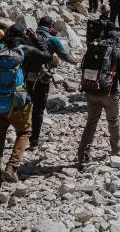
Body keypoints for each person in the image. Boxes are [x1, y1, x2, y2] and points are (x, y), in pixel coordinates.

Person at [0, 23, 50, 194]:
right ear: (23, 36)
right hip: (18, 102)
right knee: (24, 132)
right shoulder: (24, 50)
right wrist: (36, 38)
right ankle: (12, 167)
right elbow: (47, 56)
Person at [76, 28, 120, 167]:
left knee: (91, 123)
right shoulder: (119, 53)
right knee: (113, 121)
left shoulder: (95, 48)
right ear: (118, 39)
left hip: (91, 90)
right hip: (109, 93)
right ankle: (116, 150)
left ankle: (82, 155)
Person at [23, 16, 74, 149]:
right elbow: (64, 56)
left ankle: (21, 135)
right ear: (50, 27)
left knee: (26, 106)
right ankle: (34, 141)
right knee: (38, 109)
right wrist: (76, 61)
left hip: (26, 77)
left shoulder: (28, 37)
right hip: (42, 78)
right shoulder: (52, 39)